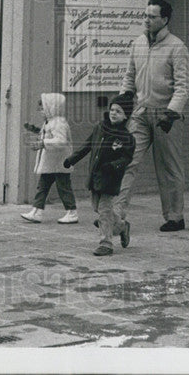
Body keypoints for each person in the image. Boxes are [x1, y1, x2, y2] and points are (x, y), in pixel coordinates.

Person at [114, 0, 189, 232]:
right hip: (140, 112)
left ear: (164, 19)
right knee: (127, 160)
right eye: (145, 16)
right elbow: (129, 75)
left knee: (169, 168)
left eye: (152, 16)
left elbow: (183, 86)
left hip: (165, 114)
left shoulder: (176, 47)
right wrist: (122, 100)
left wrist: (172, 112)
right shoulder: (138, 43)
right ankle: (116, 215)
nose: (146, 20)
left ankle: (175, 217)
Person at [63, 93, 136, 256]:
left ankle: (106, 243)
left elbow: (126, 158)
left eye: (118, 111)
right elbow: (87, 146)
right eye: (112, 109)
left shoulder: (127, 137)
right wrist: (72, 160)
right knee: (99, 208)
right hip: (95, 177)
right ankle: (122, 226)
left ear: (125, 116)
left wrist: (113, 166)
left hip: (110, 179)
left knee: (104, 210)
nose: (113, 113)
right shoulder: (100, 128)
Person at [21, 92, 78, 224]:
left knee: (63, 187)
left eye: (42, 108)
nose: (41, 112)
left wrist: (43, 143)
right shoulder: (50, 122)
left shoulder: (58, 123)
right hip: (52, 162)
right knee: (43, 186)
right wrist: (34, 129)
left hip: (59, 162)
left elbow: (61, 140)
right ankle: (37, 210)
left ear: (51, 107)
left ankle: (72, 212)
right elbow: (46, 135)